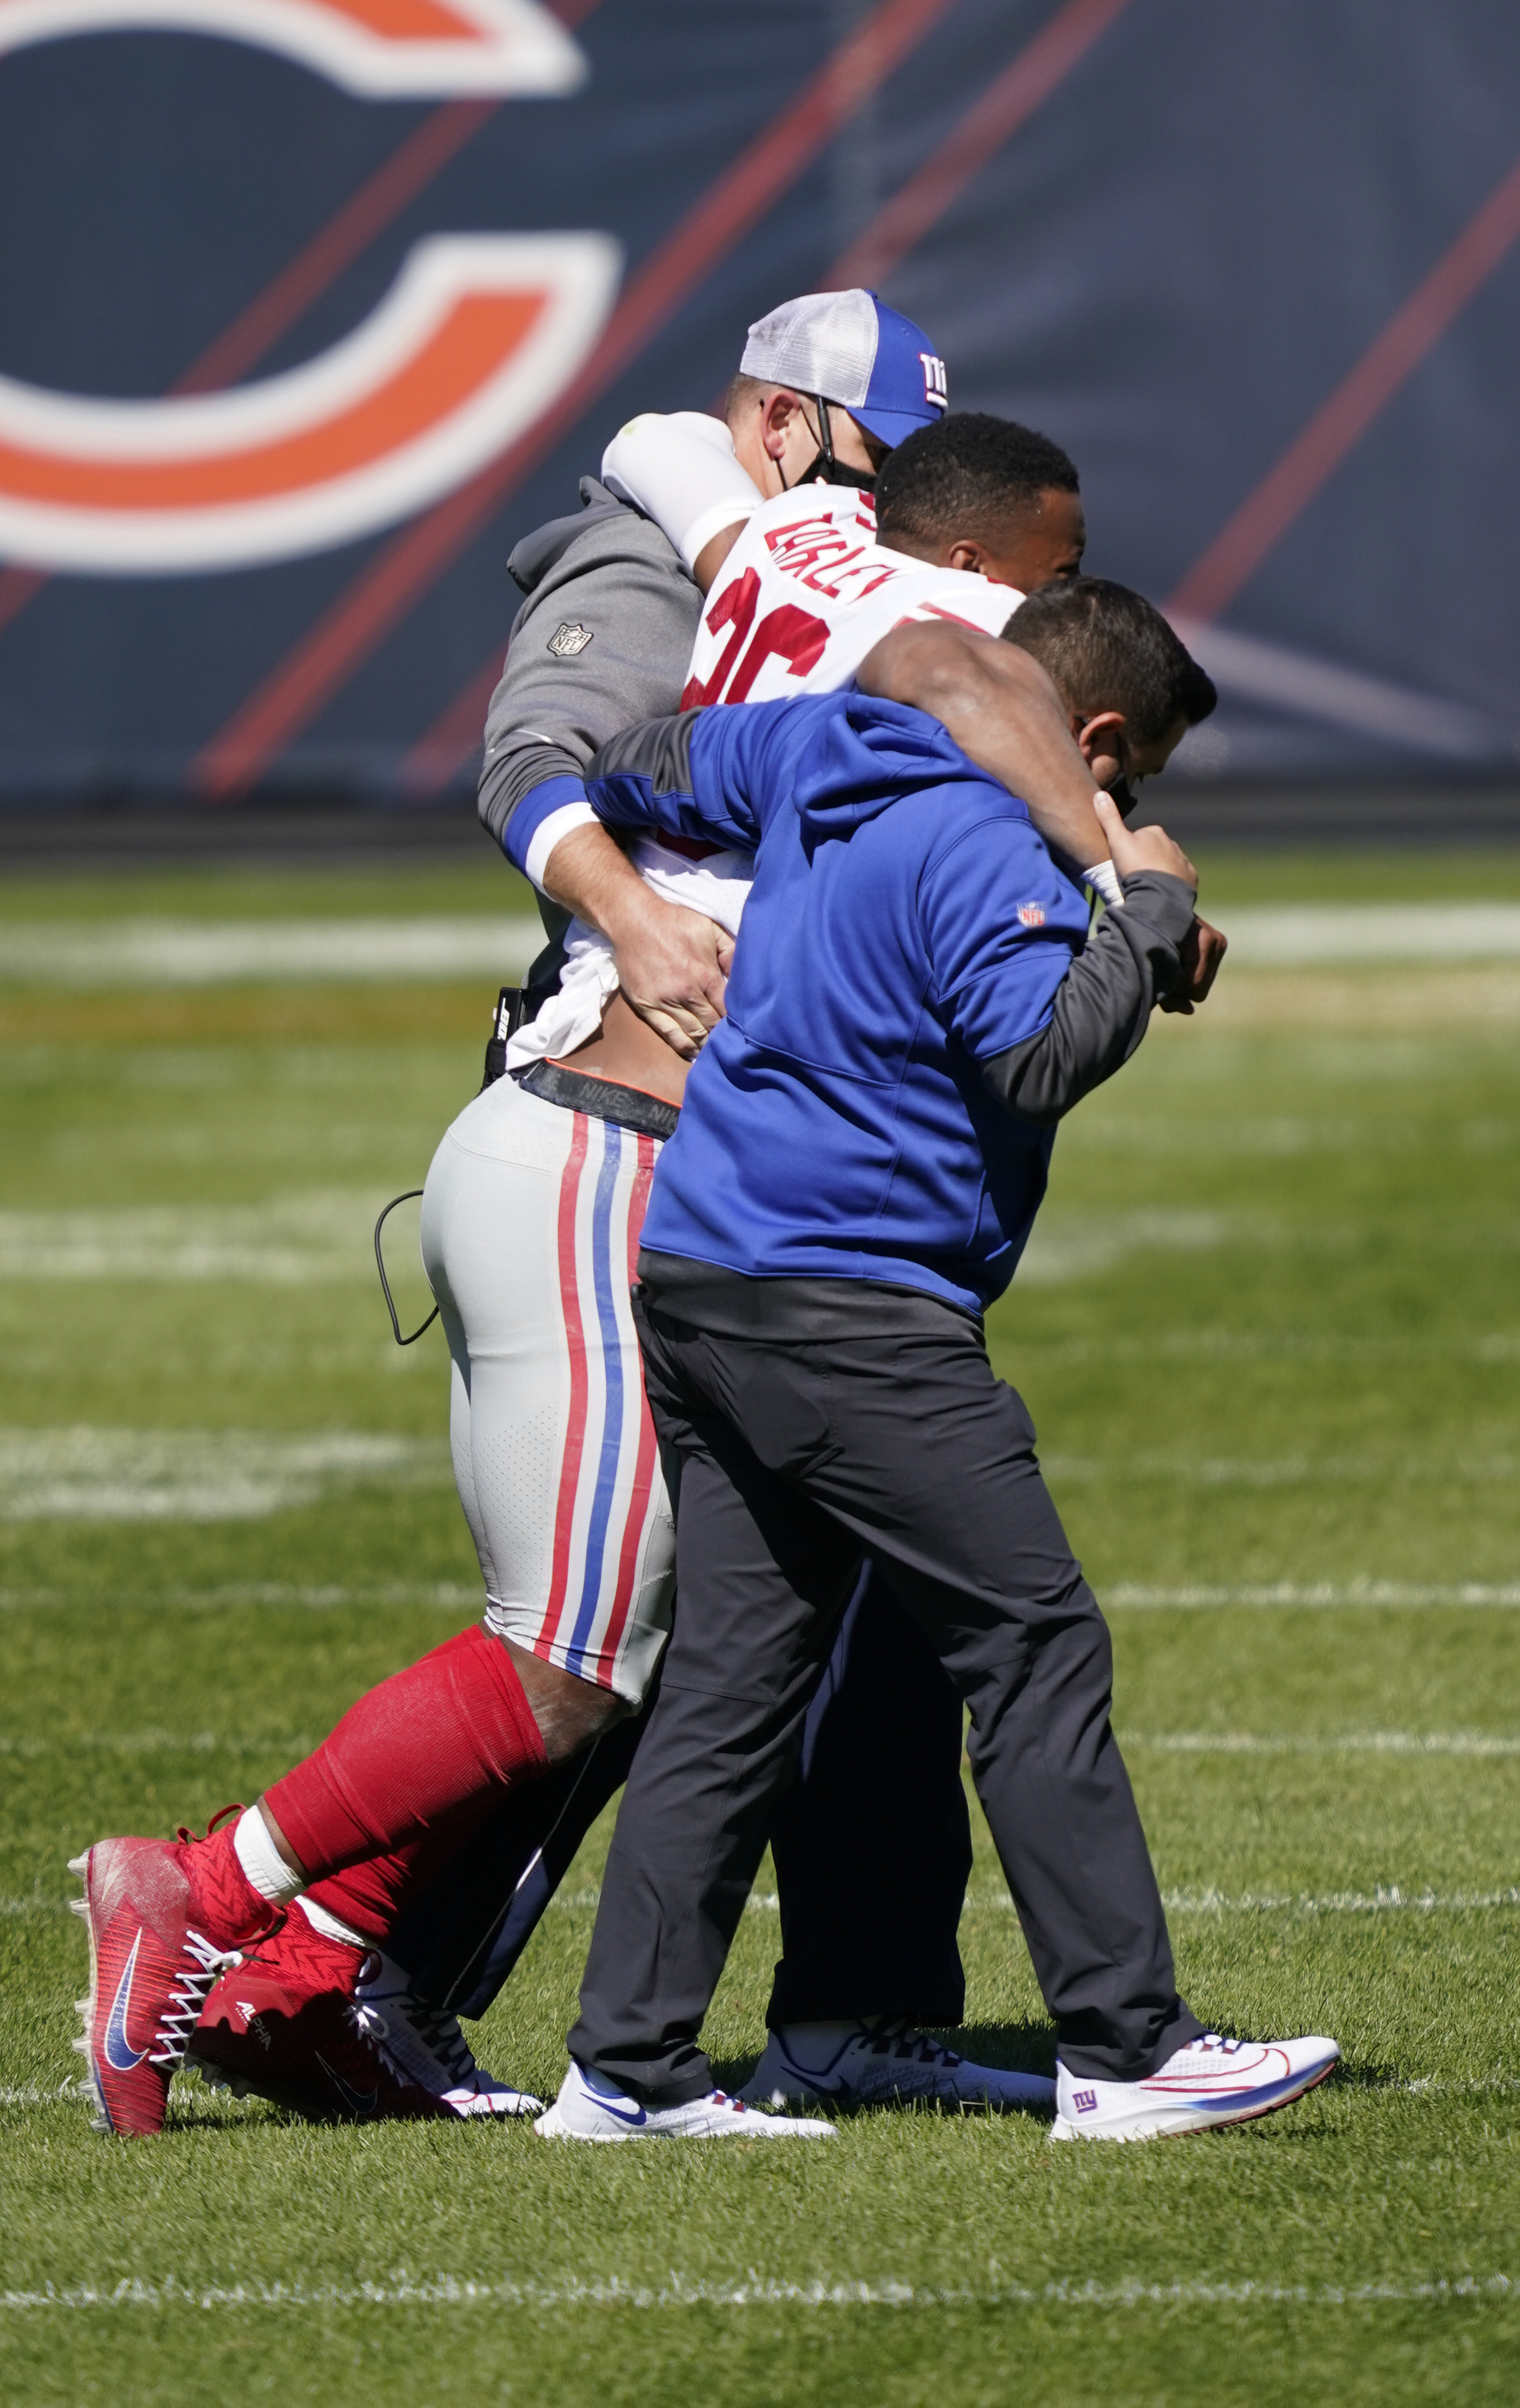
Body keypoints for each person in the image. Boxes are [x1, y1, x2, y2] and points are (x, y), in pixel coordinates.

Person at [65, 315, 1184, 2139]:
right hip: (607, 1139)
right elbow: (566, 740)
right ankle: (223, 1891)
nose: (935, 537)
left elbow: (700, 569)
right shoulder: (865, 586)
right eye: (878, 467)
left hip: (682, 1159)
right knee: (590, 1650)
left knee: (752, 1626)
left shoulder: (777, 533)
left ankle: (691, 2005)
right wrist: (1109, 862)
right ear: (799, 433)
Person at [533, 579, 1340, 2144]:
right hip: (852, 1305)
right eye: (1139, 778)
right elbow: (1037, 1048)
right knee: (1033, 1641)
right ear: (1092, 741)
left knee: (735, 1675)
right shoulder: (985, 832)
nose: (1132, 808)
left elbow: (633, 757)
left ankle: (624, 2067)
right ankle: (1127, 2046)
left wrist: (644, 904)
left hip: (704, 1269)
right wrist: (1147, 909)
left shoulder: (813, 747)